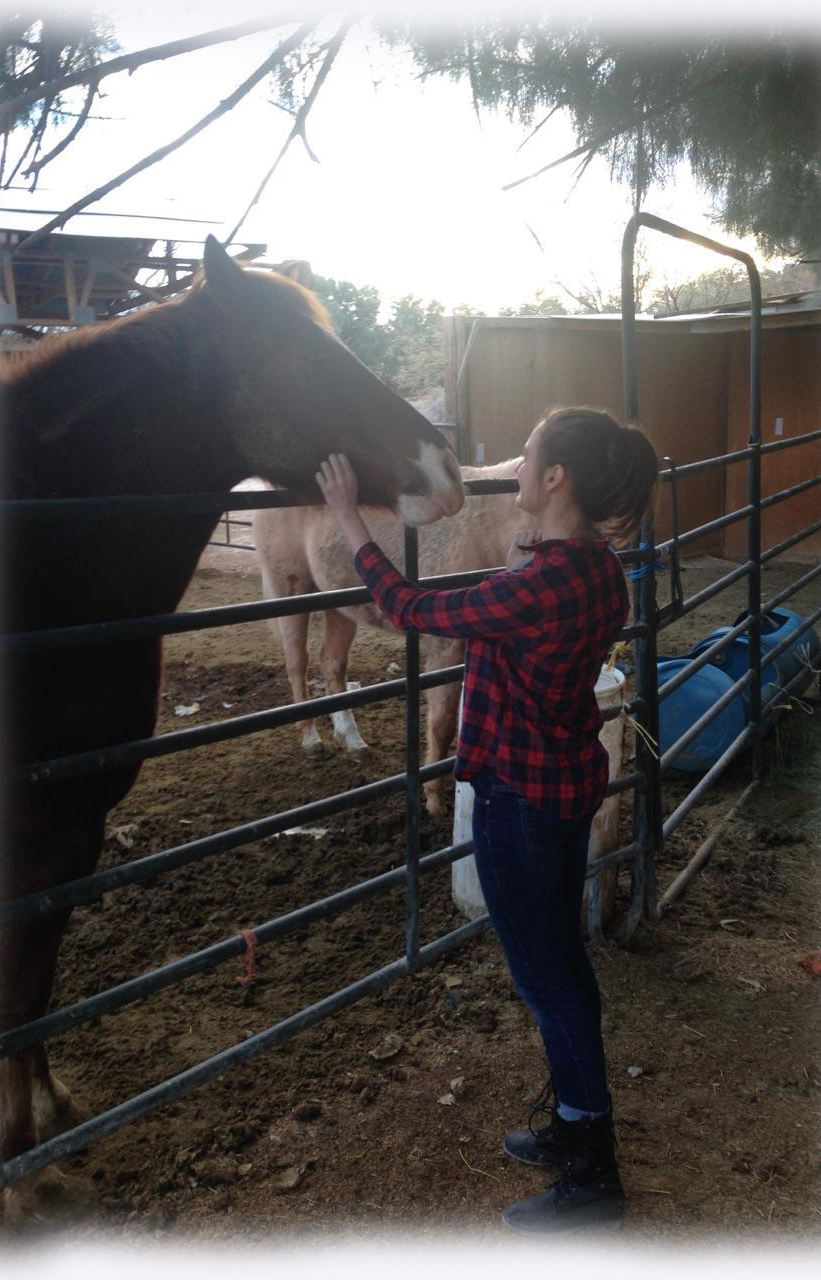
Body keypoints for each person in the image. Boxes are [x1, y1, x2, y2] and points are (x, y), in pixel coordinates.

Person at [315, 406, 659, 1235]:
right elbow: (522, 596)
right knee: (562, 967)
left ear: (555, 478)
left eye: (527, 457)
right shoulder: (596, 568)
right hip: (562, 789)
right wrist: (528, 543)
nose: (514, 468)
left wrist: (347, 521)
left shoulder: (536, 587)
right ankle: (573, 1124)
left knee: (547, 980)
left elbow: (405, 607)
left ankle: (592, 1175)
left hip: (516, 800)